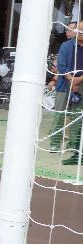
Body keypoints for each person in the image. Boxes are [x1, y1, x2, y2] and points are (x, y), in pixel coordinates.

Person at [53, 20, 83, 164]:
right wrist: (72, 80)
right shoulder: (66, 45)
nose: (80, 31)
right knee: (59, 115)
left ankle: (73, 145)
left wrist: (78, 80)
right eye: (79, 29)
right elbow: (62, 66)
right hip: (64, 85)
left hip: (81, 86)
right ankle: (55, 143)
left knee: (77, 117)